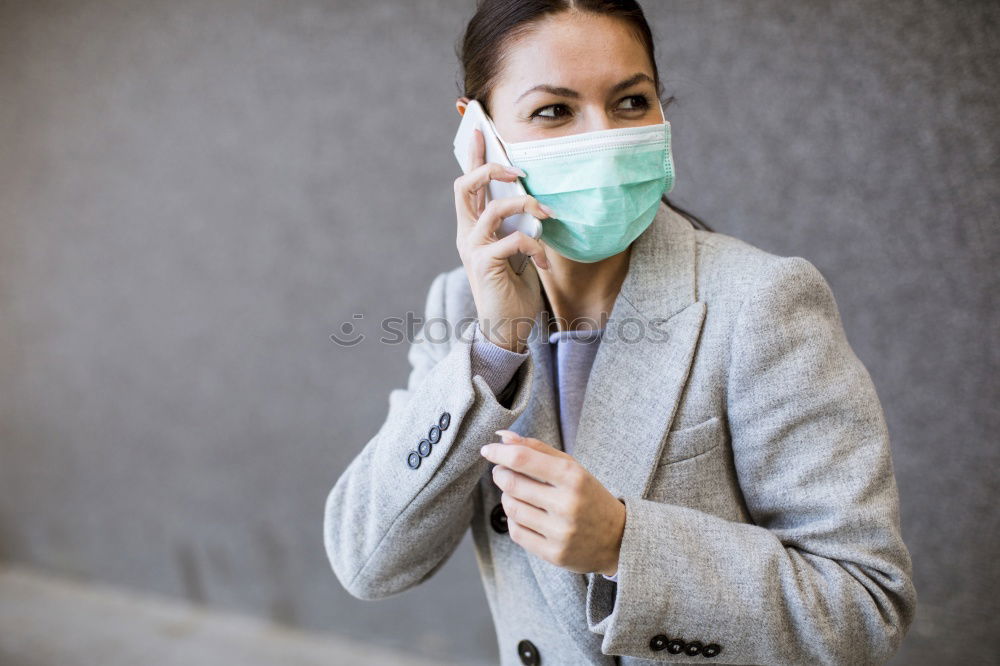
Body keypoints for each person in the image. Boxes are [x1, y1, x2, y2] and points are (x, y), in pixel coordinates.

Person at [324, 1, 916, 664]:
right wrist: (494, 347)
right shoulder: (459, 305)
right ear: (478, 135)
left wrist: (626, 545)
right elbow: (367, 563)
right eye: (554, 110)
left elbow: (866, 605)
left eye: (631, 102)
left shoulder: (759, 301)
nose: (603, 138)